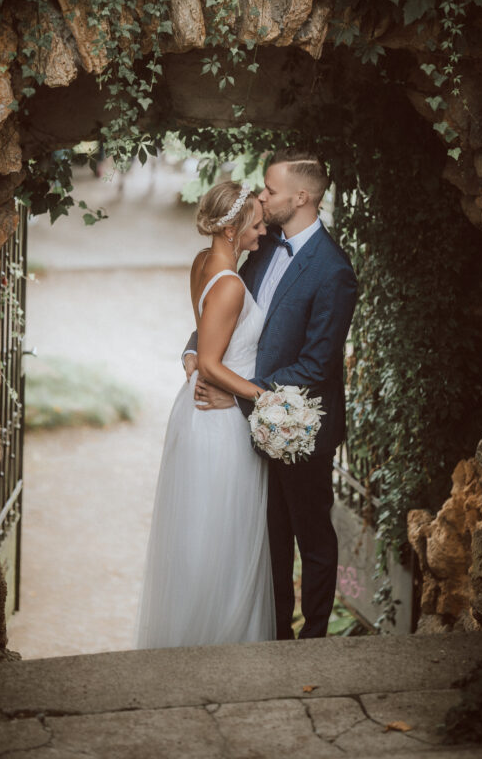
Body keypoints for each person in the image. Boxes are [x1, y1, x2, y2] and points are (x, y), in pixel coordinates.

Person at [188, 151, 357, 640]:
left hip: (301, 427)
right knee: (270, 540)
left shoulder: (334, 271)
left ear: (300, 197)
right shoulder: (263, 246)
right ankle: (276, 635)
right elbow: (228, 309)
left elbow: (316, 365)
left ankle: (314, 639)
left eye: (270, 190)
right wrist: (194, 351)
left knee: (312, 537)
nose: (262, 197)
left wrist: (241, 396)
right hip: (253, 422)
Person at [135, 181, 275, 648]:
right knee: (222, 532)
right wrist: (264, 398)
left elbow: (202, 338)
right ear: (232, 230)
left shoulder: (201, 263)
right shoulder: (231, 284)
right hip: (220, 420)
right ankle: (217, 638)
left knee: (199, 530)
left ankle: (192, 634)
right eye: (256, 225)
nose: (262, 232)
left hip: (198, 411)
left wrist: (193, 358)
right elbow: (213, 362)